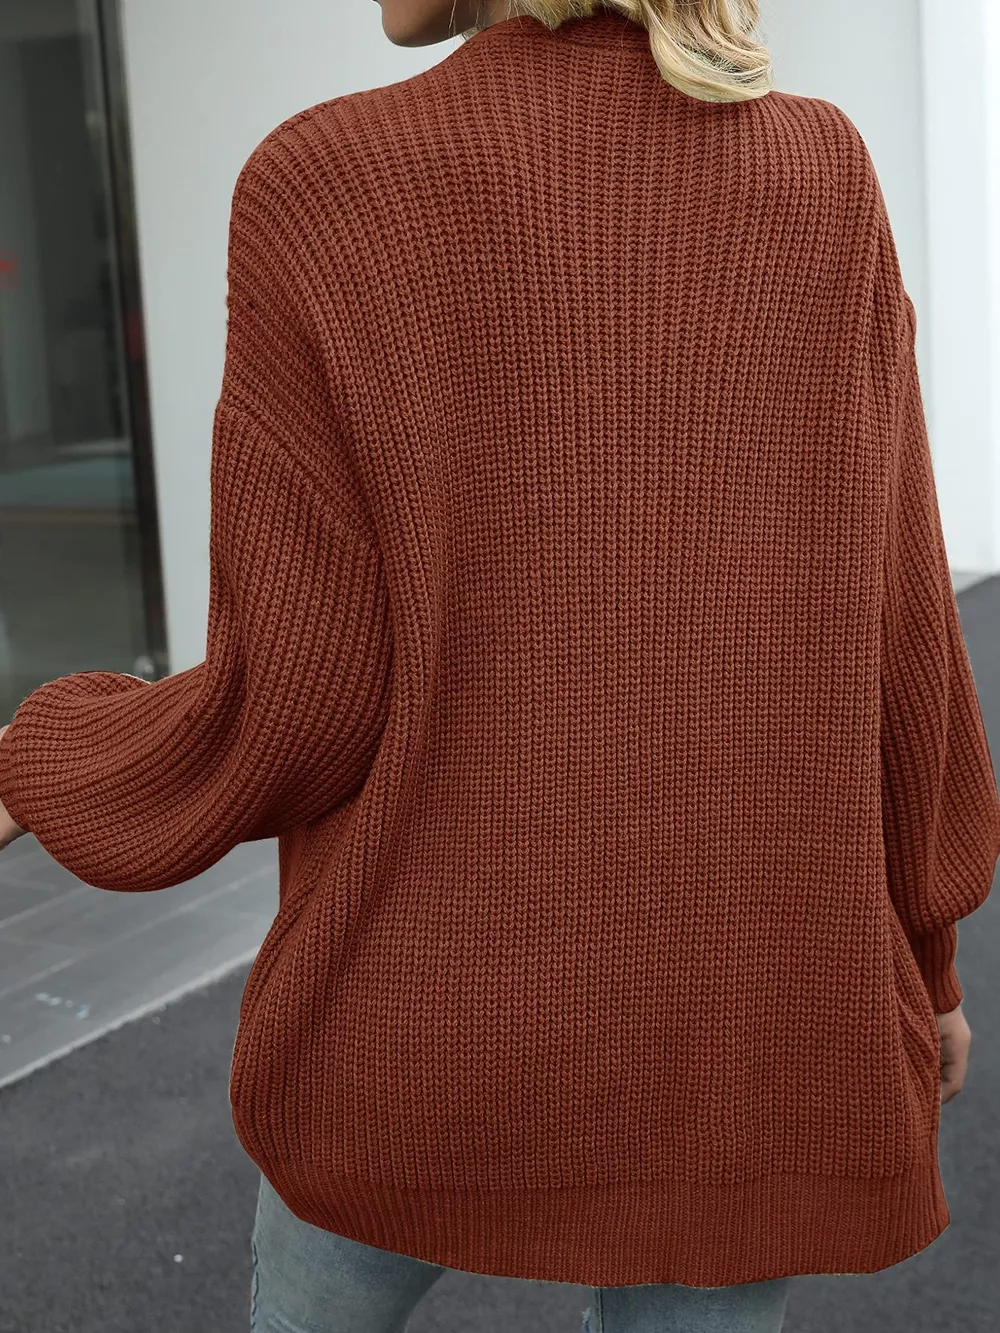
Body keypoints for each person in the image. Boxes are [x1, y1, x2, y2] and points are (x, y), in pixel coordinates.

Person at [2, 1, 999, 1330]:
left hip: (417, 1024)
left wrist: (52, 759)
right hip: (748, 1026)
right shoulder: (819, 172)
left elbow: (294, 702)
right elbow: (901, 635)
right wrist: (924, 962)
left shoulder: (324, 184)